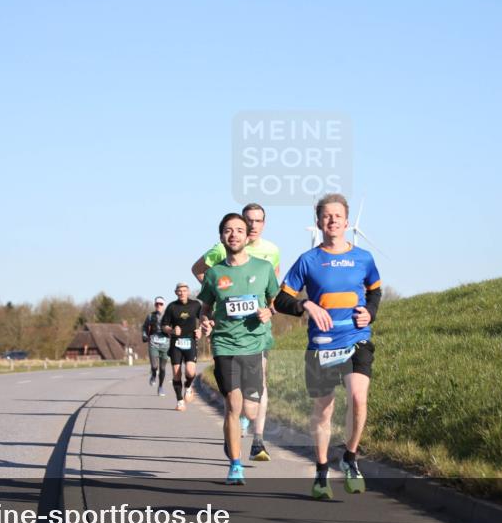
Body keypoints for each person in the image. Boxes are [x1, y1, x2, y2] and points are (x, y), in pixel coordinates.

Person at [273, 194, 382, 500]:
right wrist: (306, 303)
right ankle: (321, 470)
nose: (332, 220)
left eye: (337, 216)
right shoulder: (308, 260)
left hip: (356, 339)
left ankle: (350, 457)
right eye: (326, 216)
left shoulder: (364, 258)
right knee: (324, 410)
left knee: (359, 399)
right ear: (318, 222)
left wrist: (370, 312)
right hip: (321, 345)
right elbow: (282, 299)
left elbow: (375, 291)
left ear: (347, 222)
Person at [191, 203, 279, 459]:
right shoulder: (215, 271)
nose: (237, 233)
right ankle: (235, 463)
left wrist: (269, 311)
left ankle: (246, 425)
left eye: (241, 229)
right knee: (232, 402)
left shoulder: (265, 261)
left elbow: (276, 298)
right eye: (229, 230)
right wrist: (206, 320)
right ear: (221, 236)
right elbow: (205, 306)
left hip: (255, 340)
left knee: (250, 410)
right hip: (225, 343)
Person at [161, 282, 203, 411]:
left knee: (190, 371)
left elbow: (204, 318)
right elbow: (164, 326)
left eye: (184, 290)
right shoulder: (171, 307)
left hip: (190, 341)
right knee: (176, 373)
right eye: (179, 291)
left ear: (188, 292)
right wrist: (172, 331)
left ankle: (189, 386)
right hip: (176, 343)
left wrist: (200, 329)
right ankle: (180, 401)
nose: (182, 293)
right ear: (176, 293)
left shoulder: (195, 305)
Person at [141, 296, 169, 396]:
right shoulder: (150, 316)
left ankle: (160, 387)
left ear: (163, 305)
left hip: (165, 345)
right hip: (153, 343)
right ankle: (153, 375)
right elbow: (144, 327)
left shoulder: (168, 316)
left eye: (161, 304)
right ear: (155, 305)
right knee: (154, 366)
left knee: (162, 368)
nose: (158, 306)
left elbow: (174, 328)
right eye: (157, 304)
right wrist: (144, 335)